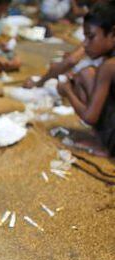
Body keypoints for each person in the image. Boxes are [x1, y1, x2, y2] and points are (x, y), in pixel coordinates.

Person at [57, 1, 115, 157]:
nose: (85, 44)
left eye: (91, 37)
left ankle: (105, 145)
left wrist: (68, 90)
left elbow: (90, 117)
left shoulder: (109, 66)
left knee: (85, 75)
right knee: (85, 74)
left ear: (112, 34)